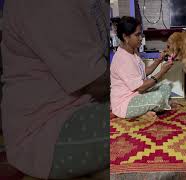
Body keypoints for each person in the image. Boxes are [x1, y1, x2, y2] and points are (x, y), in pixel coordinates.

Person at [1, 0, 108, 179]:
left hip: (87, 103)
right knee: (154, 127)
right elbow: (96, 82)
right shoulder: (45, 5)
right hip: (46, 130)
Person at [110, 16, 174, 119]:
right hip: (125, 103)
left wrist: (158, 61)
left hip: (138, 94)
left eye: (141, 34)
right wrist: (161, 72)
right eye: (137, 35)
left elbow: (142, 73)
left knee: (166, 85)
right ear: (126, 37)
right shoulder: (122, 59)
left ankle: (145, 110)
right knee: (159, 97)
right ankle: (142, 112)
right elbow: (141, 87)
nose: (141, 38)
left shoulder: (133, 51)